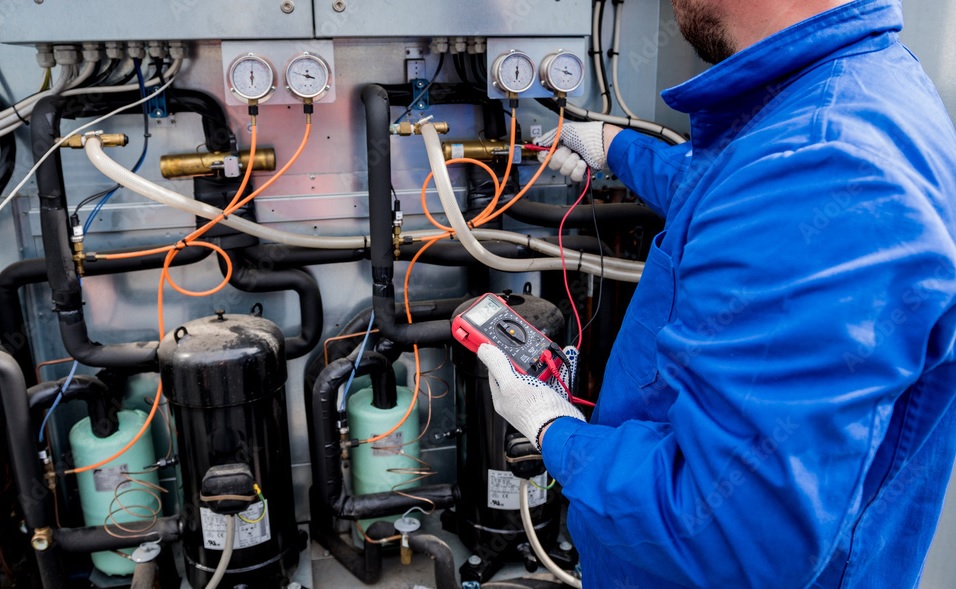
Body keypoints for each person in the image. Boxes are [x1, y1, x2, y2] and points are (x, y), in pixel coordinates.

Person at [476, 0, 956, 586]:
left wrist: (555, 430)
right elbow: (730, 187)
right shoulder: (853, 81)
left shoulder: (829, 168)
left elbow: (720, 537)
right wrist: (616, 148)